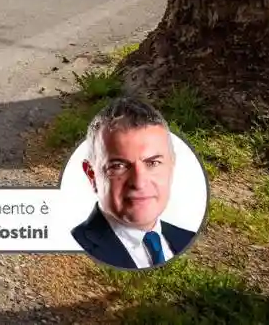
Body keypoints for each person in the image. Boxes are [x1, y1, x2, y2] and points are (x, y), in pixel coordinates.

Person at [71, 97, 198, 270]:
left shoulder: (187, 238)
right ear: (92, 175)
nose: (139, 183)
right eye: (118, 166)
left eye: (153, 163)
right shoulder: (76, 249)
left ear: (171, 165)